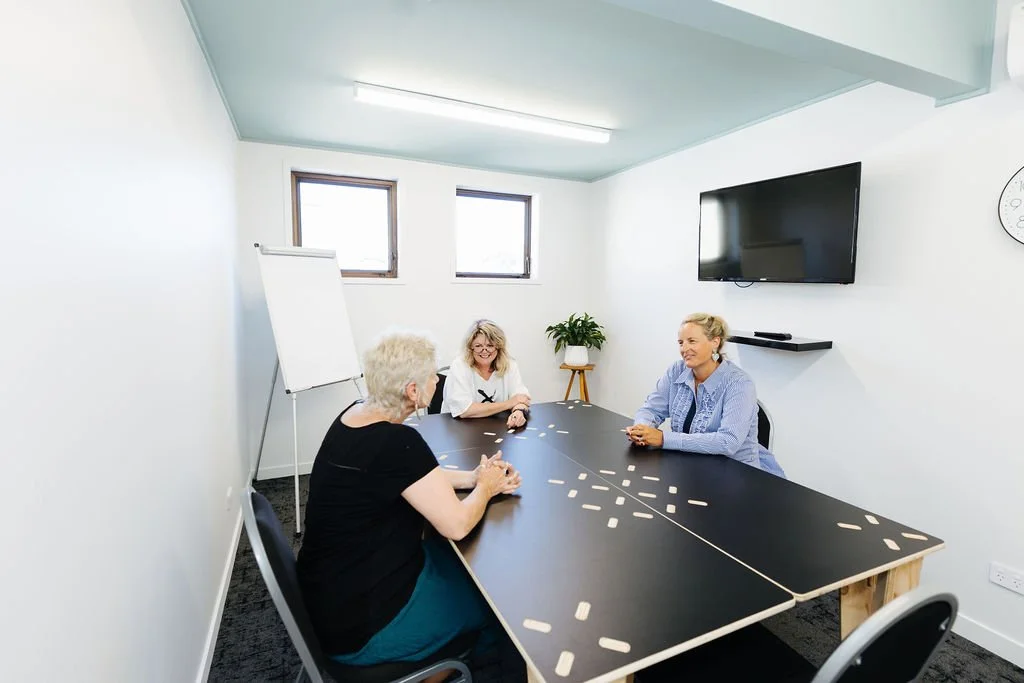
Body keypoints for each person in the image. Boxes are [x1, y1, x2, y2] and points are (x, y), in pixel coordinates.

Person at [296, 329, 522, 674]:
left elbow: (411, 477)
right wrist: (487, 489)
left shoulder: (353, 417)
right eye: (433, 376)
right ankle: (458, 670)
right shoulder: (398, 442)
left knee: (451, 559)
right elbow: (457, 525)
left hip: (330, 599)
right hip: (366, 628)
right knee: (498, 607)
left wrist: (475, 478)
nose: (438, 380)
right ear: (413, 392)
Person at [625, 313, 786, 477]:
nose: (684, 349)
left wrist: (663, 439)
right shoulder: (677, 370)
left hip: (735, 474)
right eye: (681, 342)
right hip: (691, 469)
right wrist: (642, 429)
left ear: (715, 342)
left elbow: (728, 442)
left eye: (692, 341)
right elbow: (651, 409)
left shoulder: (739, 383)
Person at [441, 319, 532, 429]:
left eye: (490, 345)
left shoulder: (509, 365)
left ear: (498, 347)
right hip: (459, 431)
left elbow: (521, 398)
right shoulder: (460, 366)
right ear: (471, 348)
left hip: (499, 428)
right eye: (478, 346)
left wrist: (518, 411)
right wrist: (509, 404)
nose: (484, 351)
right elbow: (465, 410)